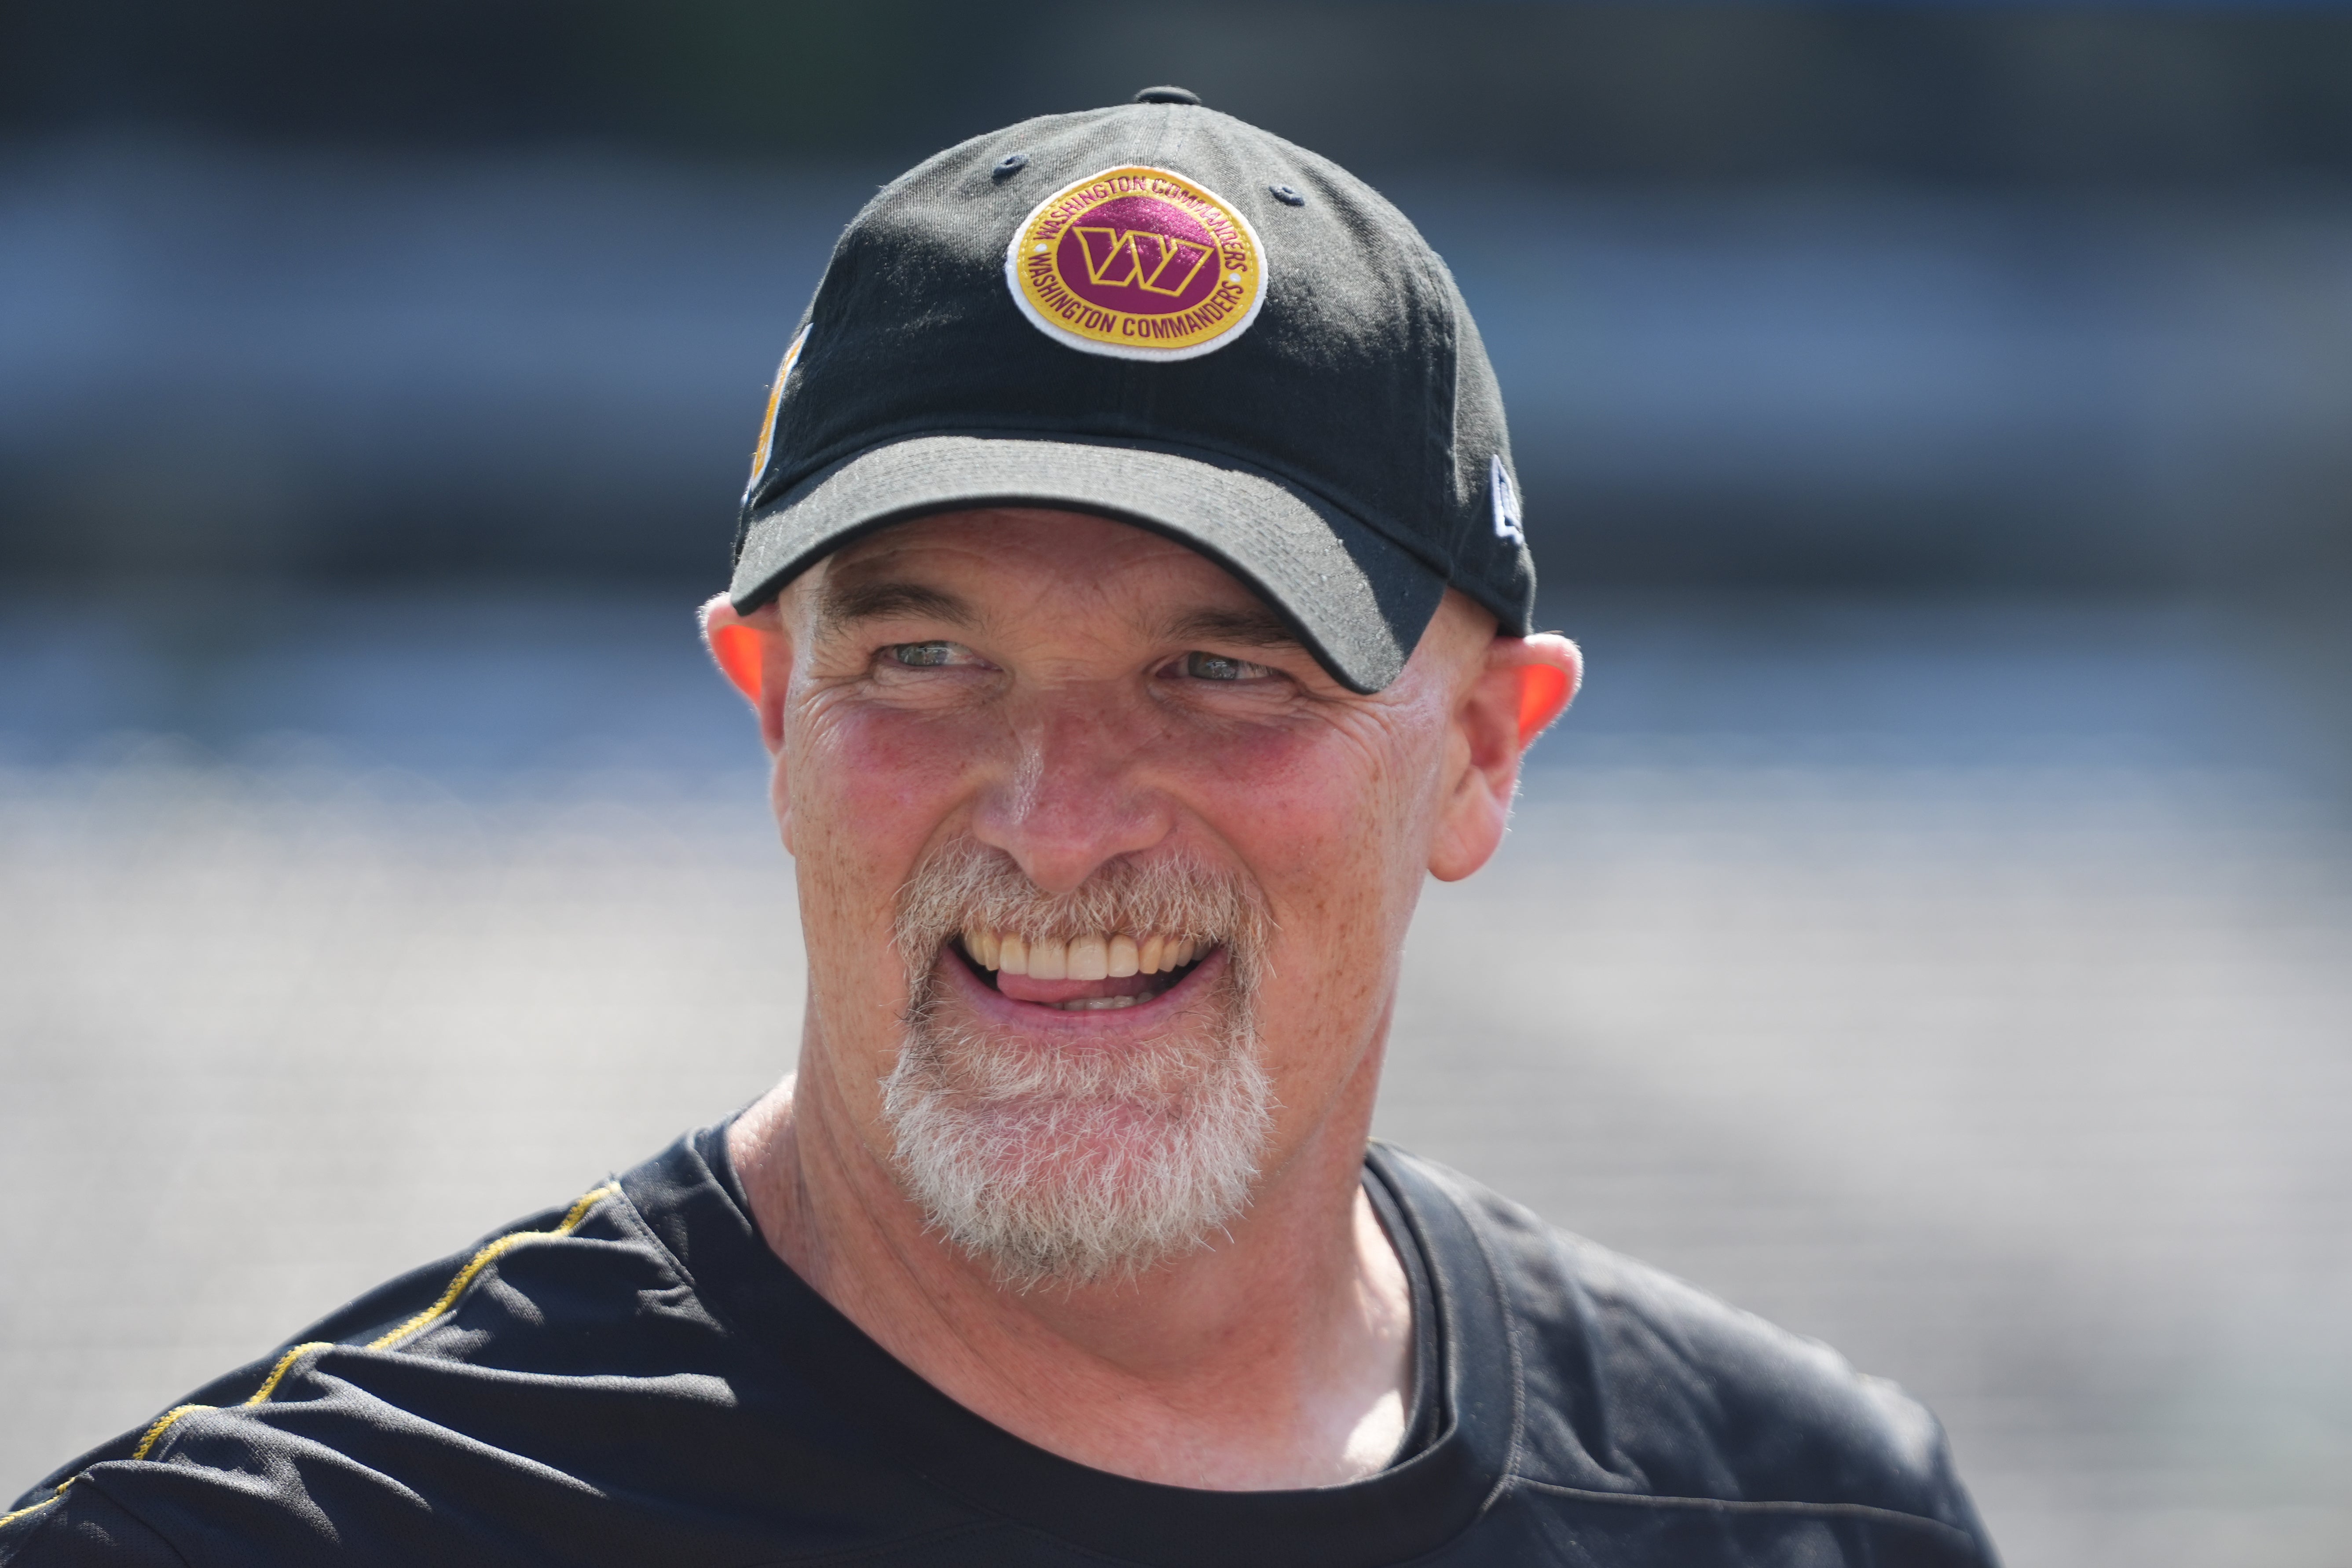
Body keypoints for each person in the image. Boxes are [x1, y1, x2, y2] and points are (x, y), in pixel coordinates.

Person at [1, 88, 1998, 1567]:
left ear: (1481, 751)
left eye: (1224, 672)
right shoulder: (314, 1535)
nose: (1054, 828)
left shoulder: (1803, 1512)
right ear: (770, 708)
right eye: (930, 658)